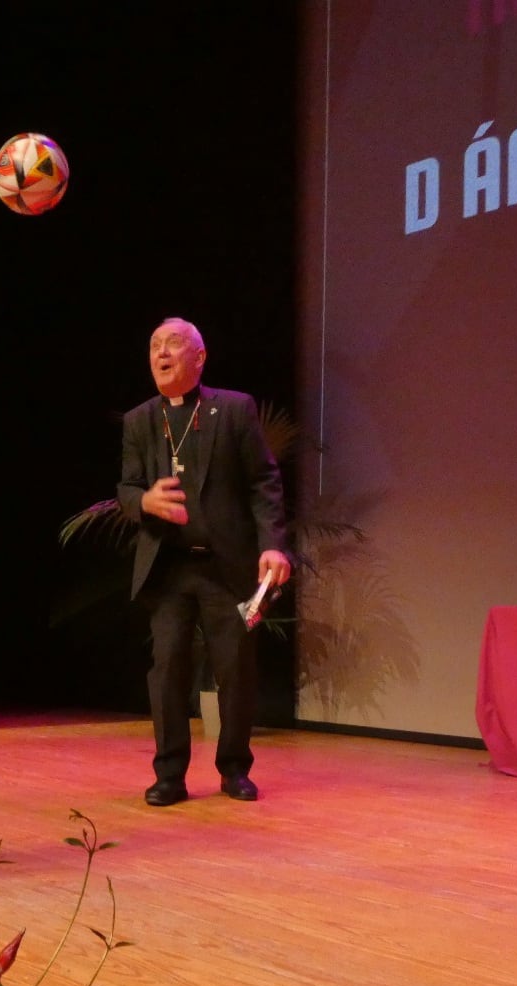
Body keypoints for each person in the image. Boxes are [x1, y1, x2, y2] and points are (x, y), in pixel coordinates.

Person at [117, 317, 291, 807]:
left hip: (226, 567)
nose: (161, 353)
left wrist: (273, 544)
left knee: (235, 670)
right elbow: (127, 488)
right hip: (169, 569)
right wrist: (144, 501)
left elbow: (264, 483)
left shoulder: (234, 410)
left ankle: (234, 768)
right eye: (154, 346)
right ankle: (169, 775)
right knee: (167, 669)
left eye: (173, 344)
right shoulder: (140, 420)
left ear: (199, 357)